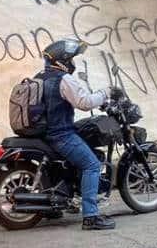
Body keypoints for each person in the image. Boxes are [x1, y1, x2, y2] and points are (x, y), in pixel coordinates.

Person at [38, 38, 115, 231]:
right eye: (71, 60)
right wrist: (106, 93)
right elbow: (84, 102)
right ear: (62, 61)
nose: (73, 64)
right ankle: (90, 216)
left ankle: (55, 205)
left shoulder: (40, 76)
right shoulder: (63, 79)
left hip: (45, 134)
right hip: (60, 134)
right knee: (91, 165)